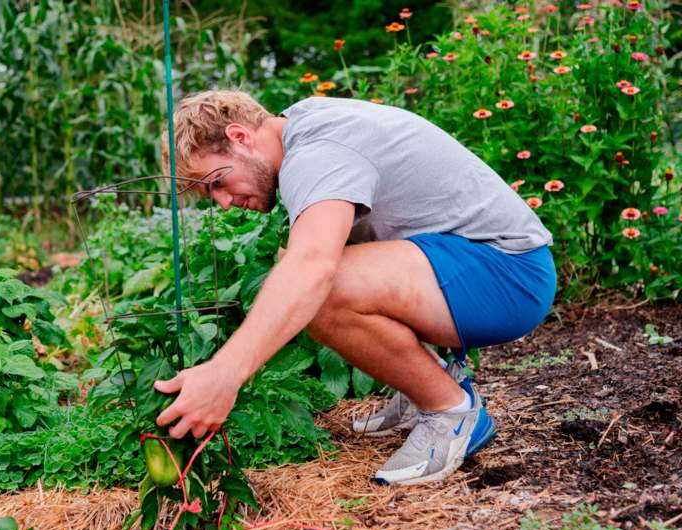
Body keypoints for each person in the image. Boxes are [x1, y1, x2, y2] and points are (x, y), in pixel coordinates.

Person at [154, 91, 556, 485]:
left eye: (217, 182)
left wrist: (225, 373)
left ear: (240, 137)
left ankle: (450, 410)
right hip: (475, 264)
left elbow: (313, 268)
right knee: (297, 264)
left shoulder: (316, 154)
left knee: (317, 283)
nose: (223, 202)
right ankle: (427, 389)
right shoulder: (301, 126)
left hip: (509, 275)